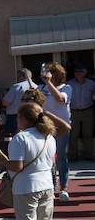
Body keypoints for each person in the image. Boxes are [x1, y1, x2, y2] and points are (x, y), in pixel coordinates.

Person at [39, 63, 72, 202]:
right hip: (45, 127)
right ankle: (50, 187)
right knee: (47, 158)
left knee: (61, 158)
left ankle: (63, 187)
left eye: (51, 72)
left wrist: (48, 83)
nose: (48, 74)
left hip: (61, 127)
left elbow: (59, 98)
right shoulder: (41, 88)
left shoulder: (67, 88)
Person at [68, 64, 95, 161]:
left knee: (88, 134)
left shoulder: (91, 84)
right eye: (76, 72)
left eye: (80, 71)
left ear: (85, 72)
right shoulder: (69, 84)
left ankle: (88, 154)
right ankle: (73, 155)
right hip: (73, 111)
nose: (78, 74)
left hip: (88, 110)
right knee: (73, 134)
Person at [1, 68, 34, 136]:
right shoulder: (37, 87)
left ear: (22, 76)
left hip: (15, 117)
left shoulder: (17, 86)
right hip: (32, 116)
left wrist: (5, 94)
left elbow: (5, 103)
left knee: (12, 138)